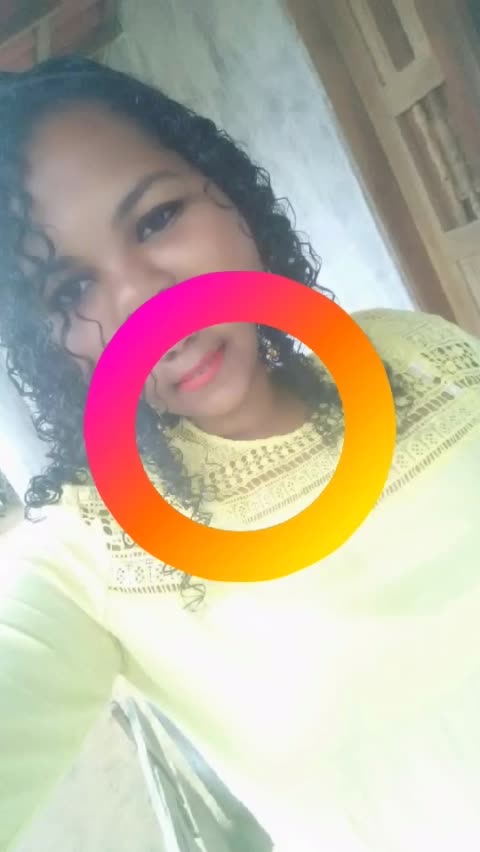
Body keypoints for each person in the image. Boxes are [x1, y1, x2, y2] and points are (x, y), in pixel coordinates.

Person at [0, 55, 479, 852]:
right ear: (45, 346)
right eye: (69, 291)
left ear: (229, 193)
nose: (143, 300)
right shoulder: (91, 554)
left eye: (156, 219)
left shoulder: (422, 353)